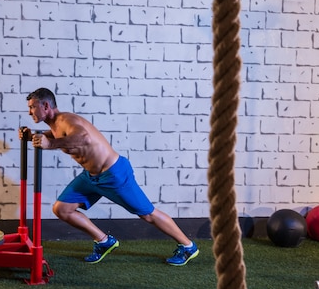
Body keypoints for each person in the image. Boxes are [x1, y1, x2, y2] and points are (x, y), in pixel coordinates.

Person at [20, 87, 199, 266]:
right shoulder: (55, 126)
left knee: (148, 214)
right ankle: (104, 241)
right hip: (91, 177)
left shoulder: (67, 120)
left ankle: (188, 246)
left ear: (45, 106)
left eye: (32, 107)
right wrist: (31, 136)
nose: (30, 112)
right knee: (62, 209)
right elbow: (53, 136)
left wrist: (50, 144)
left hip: (114, 175)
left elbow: (83, 138)